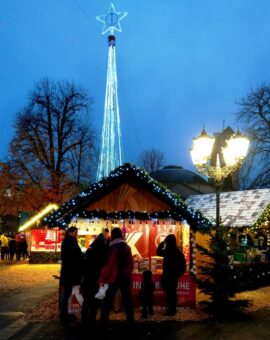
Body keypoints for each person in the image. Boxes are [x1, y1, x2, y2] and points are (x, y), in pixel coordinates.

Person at [99, 227, 134, 329]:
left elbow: (109, 265)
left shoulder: (111, 248)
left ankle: (104, 322)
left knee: (107, 300)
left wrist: (103, 278)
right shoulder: (127, 247)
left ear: (113, 235)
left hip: (114, 276)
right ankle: (130, 322)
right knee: (127, 299)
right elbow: (131, 262)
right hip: (126, 275)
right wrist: (129, 270)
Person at [80, 233, 107, 332]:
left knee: (86, 301)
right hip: (97, 280)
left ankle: (84, 322)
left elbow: (83, 265)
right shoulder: (104, 252)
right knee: (94, 303)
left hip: (87, 280)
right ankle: (91, 322)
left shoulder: (90, 250)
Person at [157, 234, 186, 316]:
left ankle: (171, 311)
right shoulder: (177, 252)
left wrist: (162, 242)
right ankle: (172, 309)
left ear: (168, 242)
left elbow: (158, 252)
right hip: (173, 277)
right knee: (172, 293)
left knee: (170, 294)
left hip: (167, 276)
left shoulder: (167, 251)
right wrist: (178, 274)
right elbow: (183, 266)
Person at [60, 226, 83, 324]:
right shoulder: (71, 242)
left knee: (67, 293)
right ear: (70, 232)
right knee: (67, 293)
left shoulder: (67, 241)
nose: (76, 234)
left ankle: (65, 313)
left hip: (67, 271)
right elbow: (76, 256)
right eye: (75, 232)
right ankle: (65, 314)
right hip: (71, 272)